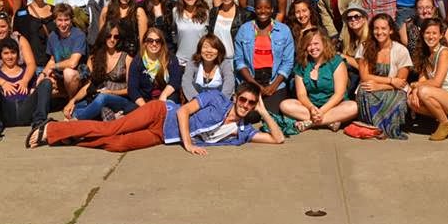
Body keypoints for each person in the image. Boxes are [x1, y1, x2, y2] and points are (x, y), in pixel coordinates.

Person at [26, 82, 285, 153]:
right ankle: (52, 130)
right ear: (236, 97)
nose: (245, 105)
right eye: (243, 100)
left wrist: (263, 112)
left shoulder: (242, 131)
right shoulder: (217, 98)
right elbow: (183, 111)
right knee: (112, 129)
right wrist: (189, 145)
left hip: (162, 135)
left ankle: (72, 138)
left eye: (251, 103)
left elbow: (278, 139)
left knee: (118, 145)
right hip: (161, 112)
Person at [280, 27, 358, 132]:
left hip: (334, 106)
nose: (312, 48)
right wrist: (312, 108)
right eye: (309, 45)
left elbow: (339, 94)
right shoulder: (301, 64)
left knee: (353, 107)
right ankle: (329, 121)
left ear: (324, 43)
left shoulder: (336, 61)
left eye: (316, 43)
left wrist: (322, 111)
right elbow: (301, 95)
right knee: (285, 105)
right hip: (311, 107)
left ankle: (310, 123)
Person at [406, 19, 448, 141]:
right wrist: (414, 90)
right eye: (427, 33)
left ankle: (445, 124)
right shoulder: (425, 54)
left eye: (434, 33)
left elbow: (436, 82)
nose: (431, 37)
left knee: (424, 91)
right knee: (410, 101)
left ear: (441, 35)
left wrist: (415, 85)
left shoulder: (444, 52)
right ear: (422, 34)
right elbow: (422, 80)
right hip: (444, 96)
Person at [0, 38, 53, 144]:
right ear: (0, 55)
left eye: (13, 52)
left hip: (27, 110)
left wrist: (32, 90)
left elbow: (38, 91)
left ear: (18, 54)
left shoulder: (26, 73)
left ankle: (39, 123)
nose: (10, 56)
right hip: (7, 112)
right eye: (6, 53)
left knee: (46, 82)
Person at [63, 21, 137, 121]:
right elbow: (88, 86)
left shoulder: (126, 57)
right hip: (98, 97)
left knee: (103, 98)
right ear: (103, 36)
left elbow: (130, 89)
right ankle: (111, 117)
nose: (112, 40)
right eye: (109, 36)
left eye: (116, 37)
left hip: (121, 100)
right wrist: (72, 101)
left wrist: (110, 92)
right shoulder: (95, 57)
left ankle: (76, 121)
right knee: (73, 110)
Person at [233, 0, 294, 114]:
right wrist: (254, 84)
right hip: (250, 80)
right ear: (254, 9)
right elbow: (239, 60)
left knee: (273, 114)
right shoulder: (244, 29)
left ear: (272, 9)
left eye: (267, 8)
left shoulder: (283, 30)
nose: (263, 11)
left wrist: (274, 86)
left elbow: (288, 62)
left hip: (274, 82)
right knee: (250, 115)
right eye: (259, 8)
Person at [355, 14, 412, 139]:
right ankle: (374, 128)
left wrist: (380, 86)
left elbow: (401, 81)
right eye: (376, 28)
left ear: (390, 30)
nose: (379, 32)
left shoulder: (401, 50)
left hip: (393, 89)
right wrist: (390, 80)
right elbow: (365, 76)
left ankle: (389, 129)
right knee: (364, 91)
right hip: (376, 86)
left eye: (383, 28)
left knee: (399, 98)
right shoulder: (364, 47)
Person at [42, 4, 88, 99]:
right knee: (42, 84)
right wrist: (43, 75)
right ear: (55, 21)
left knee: (68, 73)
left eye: (66, 20)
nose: (63, 24)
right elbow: (52, 60)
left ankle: (72, 101)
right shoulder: (52, 36)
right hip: (59, 76)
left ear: (71, 20)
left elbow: (73, 63)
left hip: (78, 75)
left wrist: (53, 66)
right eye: (60, 20)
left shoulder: (79, 35)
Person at [127, 27, 183, 106]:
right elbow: (132, 89)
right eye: (150, 40)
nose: (154, 44)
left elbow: (175, 81)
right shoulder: (137, 62)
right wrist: (145, 107)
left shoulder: (170, 59)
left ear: (162, 43)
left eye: (158, 41)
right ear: (145, 43)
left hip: (167, 97)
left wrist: (164, 95)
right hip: (145, 101)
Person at [14, 0, 56, 70]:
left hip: (52, 64)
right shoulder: (21, 14)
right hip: (30, 65)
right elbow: (17, 38)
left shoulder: (55, 11)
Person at [182, 34, 235, 101]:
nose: (209, 50)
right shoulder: (192, 63)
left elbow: (229, 83)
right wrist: (198, 102)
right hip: (195, 102)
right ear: (200, 49)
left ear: (219, 50)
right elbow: (186, 83)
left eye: (213, 47)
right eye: (205, 47)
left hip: (218, 103)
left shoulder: (224, 64)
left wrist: (219, 101)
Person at [172, 0, 210, 67]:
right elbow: (173, 33)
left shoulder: (205, 13)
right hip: (181, 61)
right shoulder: (175, 12)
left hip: (200, 61)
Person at [339, 3, 368, 99]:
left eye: (357, 16)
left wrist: (343, 56)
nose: (353, 20)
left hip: (366, 77)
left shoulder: (369, 39)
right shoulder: (349, 40)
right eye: (349, 18)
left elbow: (364, 68)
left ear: (364, 19)